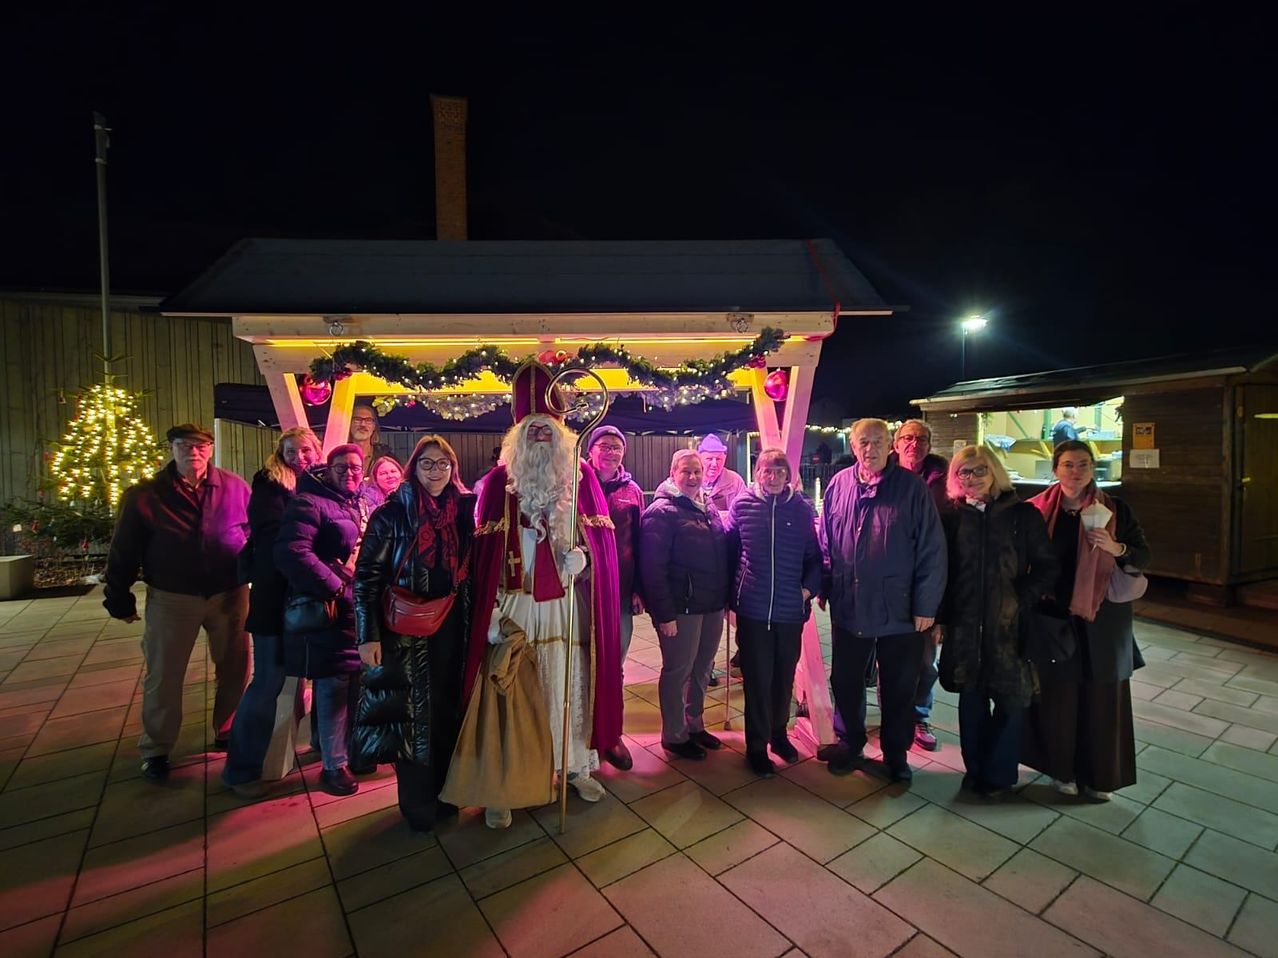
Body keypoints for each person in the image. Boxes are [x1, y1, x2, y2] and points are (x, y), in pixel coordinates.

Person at [461, 361, 624, 829]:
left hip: (566, 606)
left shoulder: (581, 476)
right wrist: (492, 613)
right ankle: (505, 784)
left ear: (561, 433)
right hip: (517, 604)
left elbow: (602, 544)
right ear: (517, 435)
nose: (539, 436)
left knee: (568, 685)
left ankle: (573, 767)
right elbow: (485, 557)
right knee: (512, 693)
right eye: (531, 428)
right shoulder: (498, 482)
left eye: (546, 428)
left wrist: (585, 559)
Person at [104, 423, 251, 782]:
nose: (193, 452)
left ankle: (228, 729)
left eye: (201, 446)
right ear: (172, 449)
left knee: (235, 667)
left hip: (229, 593)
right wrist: (119, 597)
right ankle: (157, 748)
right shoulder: (145, 495)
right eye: (184, 445)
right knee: (164, 673)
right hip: (173, 596)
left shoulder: (234, 487)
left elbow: (252, 532)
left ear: (211, 449)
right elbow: (124, 550)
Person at [353, 436, 474, 831]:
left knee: (445, 710)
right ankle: (418, 804)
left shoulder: (462, 511)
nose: (435, 471)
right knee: (413, 716)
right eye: (427, 464)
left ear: (453, 468)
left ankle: (445, 792)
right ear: (414, 468)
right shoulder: (391, 514)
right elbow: (366, 577)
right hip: (403, 631)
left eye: (443, 464)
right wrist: (367, 635)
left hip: (451, 626)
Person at [818, 418, 947, 783]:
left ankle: (895, 754)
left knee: (899, 686)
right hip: (850, 604)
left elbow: (932, 549)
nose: (870, 448)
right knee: (846, 680)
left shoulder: (911, 488)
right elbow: (826, 540)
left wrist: (926, 605)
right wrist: (827, 585)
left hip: (900, 608)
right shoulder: (839, 485)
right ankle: (850, 743)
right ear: (852, 445)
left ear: (890, 445)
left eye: (878, 441)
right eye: (863, 441)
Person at [1022, 440, 1150, 800]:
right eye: (1068, 464)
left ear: (1093, 468)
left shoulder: (1114, 509)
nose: (1075, 471)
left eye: (1083, 464)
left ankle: (1099, 777)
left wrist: (1116, 548)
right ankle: (1061, 771)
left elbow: (1143, 554)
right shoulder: (1035, 511)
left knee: (1102, 700)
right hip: (1053, 618)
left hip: (1103, 620)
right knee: (1058, 699)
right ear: (1055, 469)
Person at [936, 446, 1057, 798]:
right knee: (971, 701)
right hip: (965, 626)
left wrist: (1020, 597)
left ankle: (1000, 775)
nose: (972, 478)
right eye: (964, 472)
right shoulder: (952, 517)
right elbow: (942, 572)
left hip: (1009, 627)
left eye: (979, 470)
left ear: (994, 472)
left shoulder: (1022, 516)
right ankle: (975, 771)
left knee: (1010, 701)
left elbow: (1048, 567)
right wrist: (941, 618)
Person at [222, 426, 323, 798]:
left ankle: (323, 745)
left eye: (306, 450)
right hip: (275, 596)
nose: (299, 457)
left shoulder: (320, 485)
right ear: (281, 453)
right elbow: (278, 539)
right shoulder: (270, 485)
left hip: (308, 596)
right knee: (268, 680)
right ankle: (241, 769)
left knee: (323, 676)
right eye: (291, 451)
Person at [275, 444, 369, 796]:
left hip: (351, 606)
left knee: (350, 679)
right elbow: (291, 551)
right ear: (328, 469)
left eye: (356, 467)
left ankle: (334, 747)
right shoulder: (309, 501)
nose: (349, 473)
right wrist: (336, 585)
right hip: (330, 608)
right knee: (334, 684)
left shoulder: (353, 502)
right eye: (341, 467)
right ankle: (334, 765)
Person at [727, 448, 822, 777]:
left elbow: (815, 558)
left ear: (788, 475)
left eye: (780, 471)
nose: (773, 477)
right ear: (758, 473)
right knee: (757, 680)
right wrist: (731, 599)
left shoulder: (801, 508)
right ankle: (756, 747)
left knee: (783, 679)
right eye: (767, 470)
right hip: (753, 611)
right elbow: (730, 552)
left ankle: (779, 735)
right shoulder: (742, 505)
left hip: (790, 611)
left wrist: (806, 591)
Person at [639, 449, 731, 761]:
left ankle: (695, 724)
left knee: (703, 669)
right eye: (686, 471)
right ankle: (674, 735)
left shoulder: (707, 507)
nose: (693, 477)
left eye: (697, 471)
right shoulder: (661, 512)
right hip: (681, 608)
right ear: (673, 473)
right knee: (678, 670)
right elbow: (652, 569)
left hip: (711, 605)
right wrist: (664, 614)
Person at [585, 423, 643, 770]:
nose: (610, 452)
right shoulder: (576, 484)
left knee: (613, 664)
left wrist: (638, 589)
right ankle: (581, 736)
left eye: (616, 447)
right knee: (582, 661)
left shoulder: (631, 491)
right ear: (591, 450)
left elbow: (640, 541)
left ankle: (611, 734)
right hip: (583, 589)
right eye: (604, 446)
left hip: (620, 590)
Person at [892, 418, 949, 752]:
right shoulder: (884, 476)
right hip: (890, 587)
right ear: (897, 443)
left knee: (926, 662)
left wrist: (939, 606)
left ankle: (918, 715)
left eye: (922, 438)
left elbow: (947, 543)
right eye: (908, 438)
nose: (914, 444)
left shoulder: (944, 483)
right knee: (890, 661)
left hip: (926, 586)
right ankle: (894, 716)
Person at [698, 433, 747, 514]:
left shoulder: (735, 480)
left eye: (718, 459)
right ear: (699, 459)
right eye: (709, 459)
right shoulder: (691, 480)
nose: (714, 464)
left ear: (724, 460)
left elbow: (744, 511)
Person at [348, 403, 396, 477]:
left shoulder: (386, 456)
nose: (363, 424)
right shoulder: (339, 455)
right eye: (357, 419)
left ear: (374, 426)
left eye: (368, 420)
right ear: (349, 424)